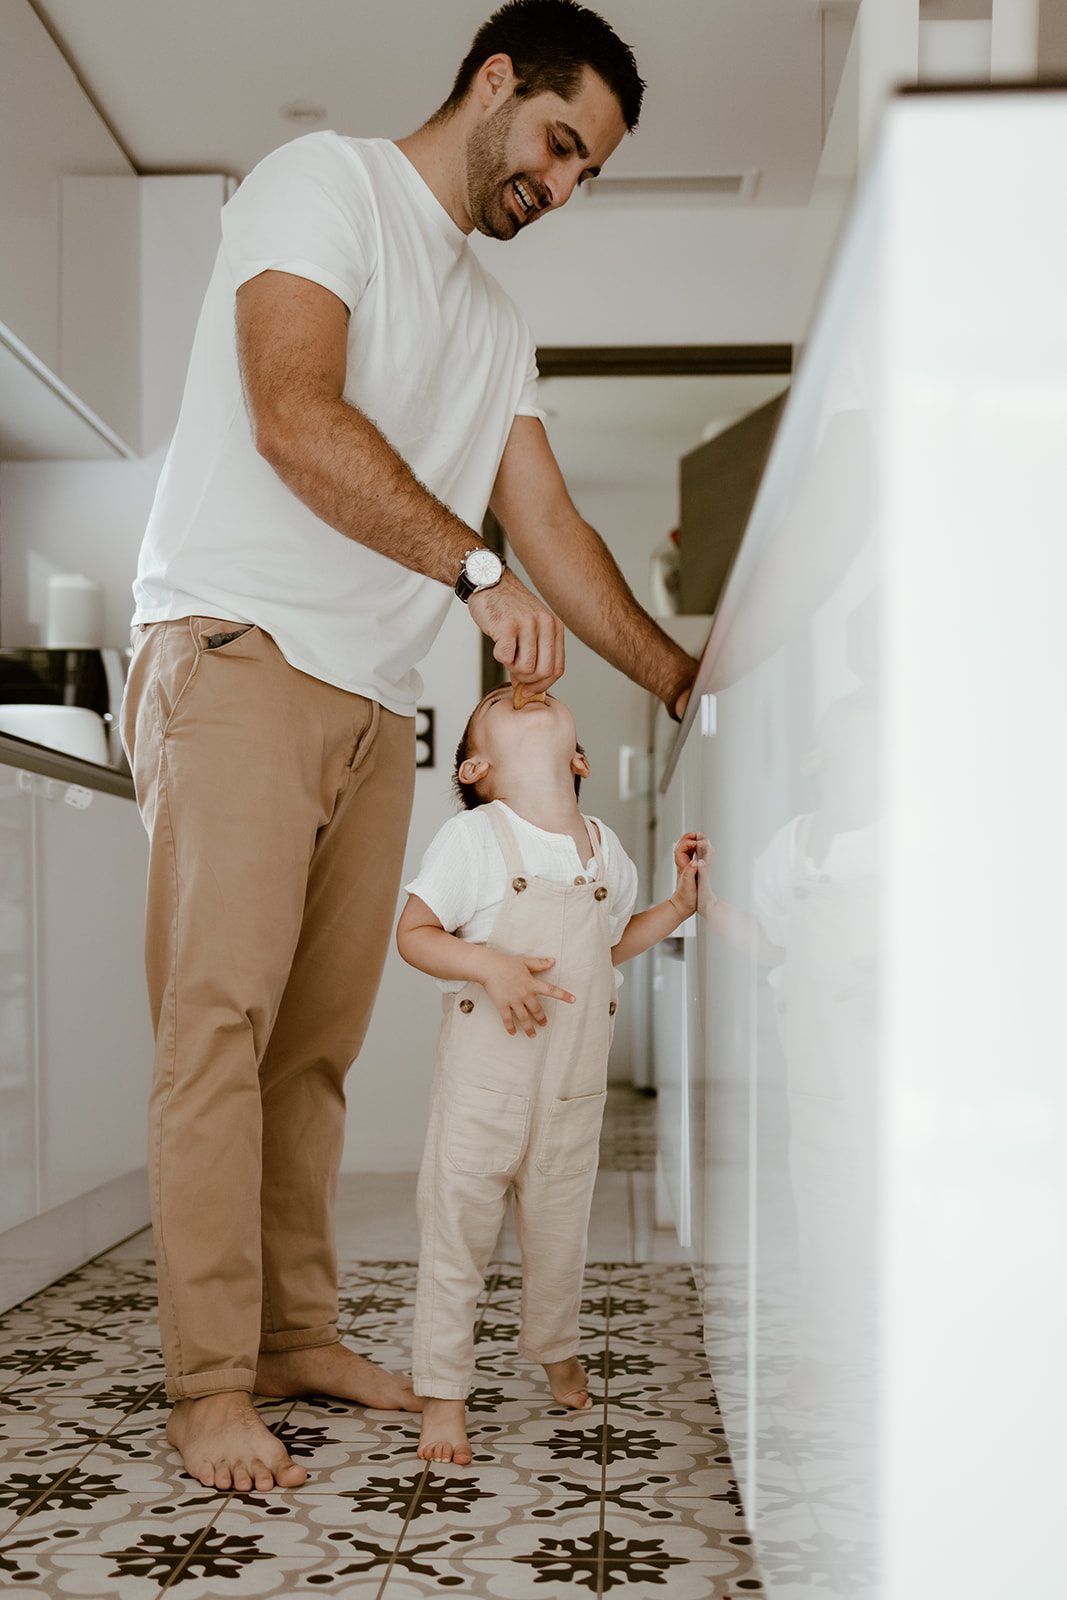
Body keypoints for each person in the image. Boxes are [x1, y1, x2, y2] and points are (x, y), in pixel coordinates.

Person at [121, 0, 699, 1494]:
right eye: (560, 145)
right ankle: (205, 1387)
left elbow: (552, 531)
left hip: (376, 704)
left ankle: (297, 1332)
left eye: (587, 177)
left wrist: (684, 677)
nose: (560, 188)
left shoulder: (495, 322)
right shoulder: (323, 186)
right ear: (496, 80)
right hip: (238, 649)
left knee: (311, 1052)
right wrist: (471, 571)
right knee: (218, 1031)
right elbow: (291, 412)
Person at [396, 686, 702, 1463]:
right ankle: (441, 1392)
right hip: (483, 1090)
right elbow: (415, 934)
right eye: (500, 699)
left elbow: (610, 943)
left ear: (578, 759)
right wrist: (486, 964)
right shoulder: (473, 837)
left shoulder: (604, 848)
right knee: (456, 1235)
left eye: (542, 700)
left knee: (560, 1235)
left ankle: (554, 1347)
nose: (526, 692)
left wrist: (675, 908)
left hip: (572, 1087)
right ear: (478, 766)